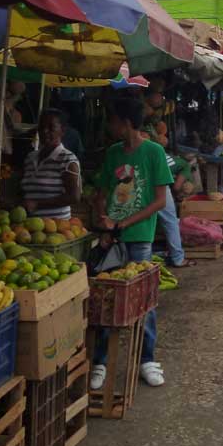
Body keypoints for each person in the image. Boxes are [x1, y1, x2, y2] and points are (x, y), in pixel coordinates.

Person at [92, 97, 172, 390]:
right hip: (111, 239)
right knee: (105, 301)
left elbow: (160, 200)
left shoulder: (153, 152)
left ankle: (147, 360)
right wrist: (103, 217)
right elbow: (102, 191)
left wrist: (126, 222)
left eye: (112, 120)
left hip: (139, 238)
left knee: (145, 302)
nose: (109, 126)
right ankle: (99, 361)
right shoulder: (113, 153)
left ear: (125, 122)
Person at [21, 109, 81, 221]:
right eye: (41, 127)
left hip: (57, 228)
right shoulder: (30, 158)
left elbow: (74, 197)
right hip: (27, 227)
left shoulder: (68, 159)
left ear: (62, 131)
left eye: (51, 128)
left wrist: (37, 204)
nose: (45, 131)